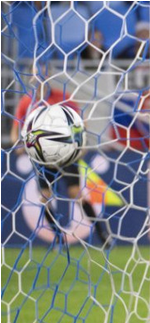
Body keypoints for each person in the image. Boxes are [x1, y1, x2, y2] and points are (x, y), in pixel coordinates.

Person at [10, 66, 111, 247]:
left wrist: (82, 141)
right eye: (37, 76)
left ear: (49, 78)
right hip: (42, 156)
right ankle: (58, 236)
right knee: (45, 197)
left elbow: (80, 119)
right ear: (32, 79)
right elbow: (16, 129)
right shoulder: (27, 102)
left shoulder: (61, 97)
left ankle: (102, 233)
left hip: (65, 153)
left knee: (76, 194)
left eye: (44, 75)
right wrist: (19, 144)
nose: (41, 80)